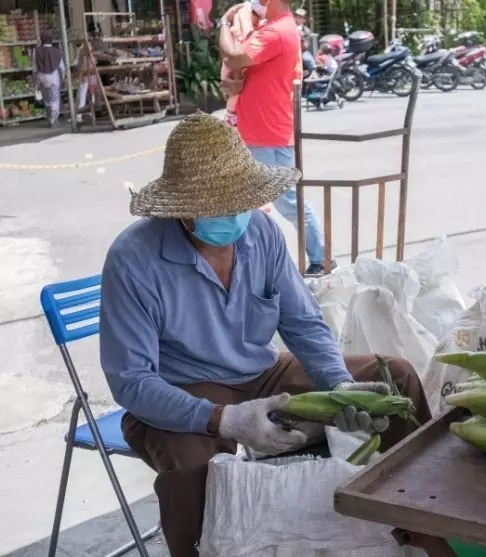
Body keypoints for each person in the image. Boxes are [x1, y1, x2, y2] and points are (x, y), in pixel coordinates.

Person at [100, 113, 432, 557]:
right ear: (181, 207)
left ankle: (425, 526)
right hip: (182, 387)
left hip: (262, 371)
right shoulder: (133, 259)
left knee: (397, 378)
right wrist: (225, 419)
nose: (232, 215)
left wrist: (339, 383)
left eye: (239, 201)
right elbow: (131, 381)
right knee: (192, 469)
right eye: (215, 205)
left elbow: (303, 322)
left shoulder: (260, 231)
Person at [217, 0, 335, 275]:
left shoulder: (276, 32)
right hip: (257, 130)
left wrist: (223, 23)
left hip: (267, 133)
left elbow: (233, 57)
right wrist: (231, 85)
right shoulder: (270, 28)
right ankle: (252, 265)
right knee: (248, 202)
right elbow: (242, 69)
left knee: (287, 201)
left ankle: (321, 259)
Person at [219, 0, 264, 128]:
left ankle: (231, 116)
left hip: (237, 63)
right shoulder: (245, 11)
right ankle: (231, 116)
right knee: (235, 93)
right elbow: (245, 35)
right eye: (255, 15)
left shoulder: (248, 11)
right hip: (236, 64)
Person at [32, 30, 65, 128]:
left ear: (42, 39)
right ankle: (53, 120)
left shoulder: (36, 51)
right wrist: (63, 78)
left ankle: (50, 119)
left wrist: (35, 79)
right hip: (54, 78)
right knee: (55, 99)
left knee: (46, 99)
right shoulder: (57, 51)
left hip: (41, 77)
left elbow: (34, 66)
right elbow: (62, 67)